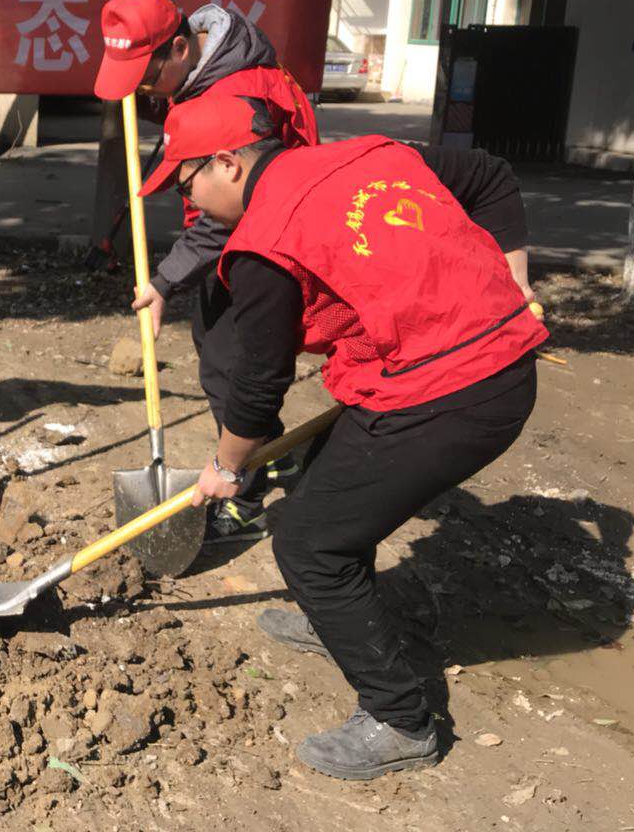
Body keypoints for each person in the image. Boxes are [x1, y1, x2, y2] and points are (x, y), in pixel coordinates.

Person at [137, 98, 545, 779]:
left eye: (188, 186)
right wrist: (517, 277)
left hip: (453, 393)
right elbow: (492, 175)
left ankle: (400, 720)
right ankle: (339, 617)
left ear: (228, 163)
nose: (192, 205)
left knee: (308, 545)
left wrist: (226, 469)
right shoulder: (367, 154)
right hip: (470, 367)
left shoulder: (266, 243)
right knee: (321, 485)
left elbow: (258, 385)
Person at [93, 0, 319, 541]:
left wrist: (164, 280)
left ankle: (245, 490)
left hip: (264, 238)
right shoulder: (209, 67)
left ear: (178, 48)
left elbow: (230, 213)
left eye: (146, 77)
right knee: (213, 341)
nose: (143, 91)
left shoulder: (235, 100)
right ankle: (273, 452)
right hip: (237, 234)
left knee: (233, 365)